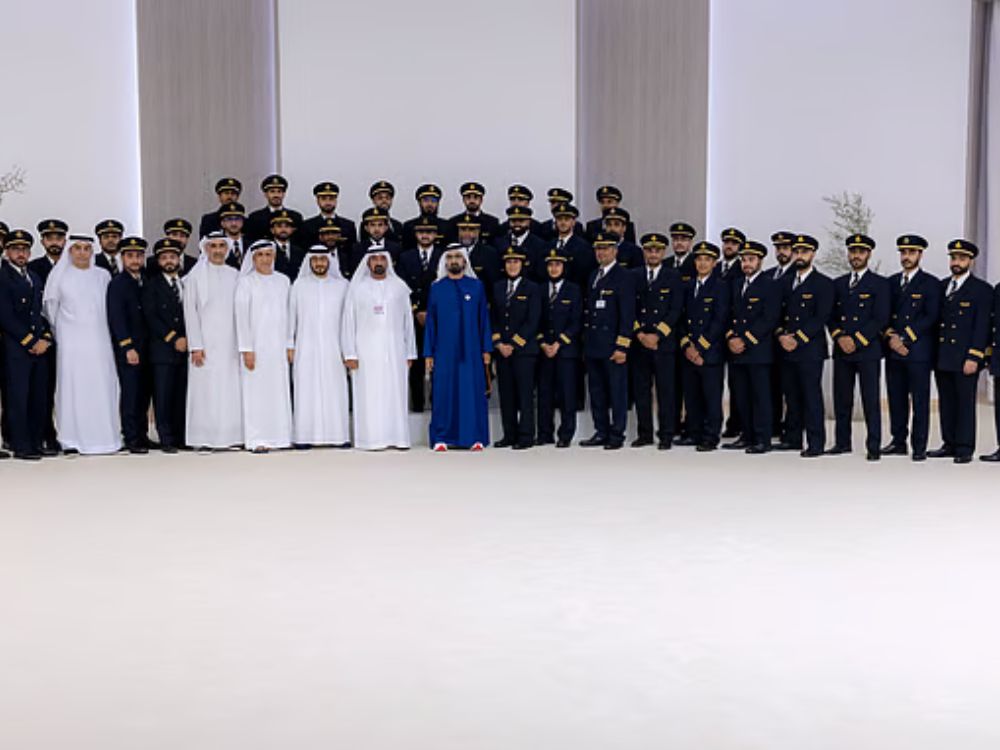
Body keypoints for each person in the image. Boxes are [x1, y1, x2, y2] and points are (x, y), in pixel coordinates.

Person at [42, 234, 121, 455]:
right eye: (77, 248)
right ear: (69, 251)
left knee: (101, 386)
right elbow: (51, 311)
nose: (82, 253)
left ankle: (106, 439)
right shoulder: (60, 277)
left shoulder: (103, 275)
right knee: (72, 388)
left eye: (87, 248)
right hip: (71, 344)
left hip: (100, 341)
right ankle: (72, 439)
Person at [341, 248, 416, 450]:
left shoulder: (400, 287)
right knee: (368, 394)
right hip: (365, 352)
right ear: (367, 263)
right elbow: (348, 322)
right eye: (374, 258)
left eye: (382, 258)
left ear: (389, 261)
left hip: (395, 351)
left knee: (395, 393)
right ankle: (370, 439)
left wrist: (410, 352)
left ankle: (397, 438)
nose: (378, 261)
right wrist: (349, 353)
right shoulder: (356, 288)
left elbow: (408, 322)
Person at [827, 234, 891, 461]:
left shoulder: (880, 284)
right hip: (842, 350)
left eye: (861, 252)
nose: (856, 256)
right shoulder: (838, 284)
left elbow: (880, 318)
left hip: (867, 351)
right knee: (842, 399)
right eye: (853, 252)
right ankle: (841, 442)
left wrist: (858, 340)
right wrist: (839, 337)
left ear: (869, 255)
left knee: (870, 400)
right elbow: (831, 316)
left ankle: (873, 445)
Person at [424, 244, 492, 451]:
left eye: (458, 257)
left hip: (471, 350)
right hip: (444, 351)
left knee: (470, 392)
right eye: (450, 257)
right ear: (445, 261)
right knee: (444, 392)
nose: (454, 261)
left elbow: (483, 320)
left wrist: (486, 349)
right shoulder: (436, 288)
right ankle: (442, 437)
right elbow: (431, 323)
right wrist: (428, 353)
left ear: (464, 261)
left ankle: (474, 437)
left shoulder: (476, 286)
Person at [929, 239, 992, 464]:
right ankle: (949, 443)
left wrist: (975, 356)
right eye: (954, 258)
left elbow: (982, 326)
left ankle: (964, 447)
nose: (957, 262)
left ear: (971, 261)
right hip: (943, 354)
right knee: (946, 401)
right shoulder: (942, 285)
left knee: (965, 402)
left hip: (966, 357)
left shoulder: (982, 290)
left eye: (962, 258)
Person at [774, 234, 835, 458]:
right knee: (791, 396)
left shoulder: (823, 284)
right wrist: (781, 335)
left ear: (813, 254)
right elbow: (775, 314)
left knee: (811, 396)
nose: (800, 256)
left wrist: (796, 338)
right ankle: (792, 438)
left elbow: (820, 317)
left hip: (809, 349)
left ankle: (816, 442)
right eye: (797, 252)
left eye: (804, 252)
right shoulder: (782, 282)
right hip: (786, 348)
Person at [183, 232, 243, 451]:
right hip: (205, 345)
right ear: (206, 249)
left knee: (229, 389)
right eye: (213, 246)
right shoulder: (195, 276)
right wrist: (196, 346)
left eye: (221, 246)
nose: (217, 250)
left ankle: (230, 437)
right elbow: (190, 312)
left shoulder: (235, 274)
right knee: (205, 391)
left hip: (230, 344)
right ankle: (204, 439)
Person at [882, 235, 940, 462]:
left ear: (920, 255)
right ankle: (898, 441)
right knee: (896, 399)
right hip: (894, 351)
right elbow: (882, 315)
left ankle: (919, 445)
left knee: (920, 401)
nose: (906, 257)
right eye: (903, 253)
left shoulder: (930, 283)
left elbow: (931, 316)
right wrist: (891, 338)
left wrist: (904, 338)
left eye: (911, 253)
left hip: (918, 352)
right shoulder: (891, 282)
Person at [289, 245, 351, 448]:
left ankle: (338, 436)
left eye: (323, 260)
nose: (319, 264)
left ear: (329, 261)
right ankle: (304, 437)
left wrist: (348, 349)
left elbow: (348, 320)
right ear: (309, 262)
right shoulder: (299, 285)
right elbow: (291, 318)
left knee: (336, 389)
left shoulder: (342, 286)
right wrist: (290, 345)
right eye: (315, 260)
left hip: (335, 346)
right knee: (306, 390)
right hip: (305, 346)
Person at [724, 240, 782, 454]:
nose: (746, 264)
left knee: (760, 397)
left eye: (751, 259)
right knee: (741, 396)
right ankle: (746, 435)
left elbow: (769, 318)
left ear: (760, 261)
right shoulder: (736, 284)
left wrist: (744, 340)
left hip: (758, 350)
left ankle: (762, 438)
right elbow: (728, 315)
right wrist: (731, 337)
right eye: (743, 260)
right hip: (736, 351)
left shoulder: (770, 284)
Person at [235, 240, 293, 452]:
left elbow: (290, 315)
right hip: (255, 348)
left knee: (279, 391)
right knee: (256, 393)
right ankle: (257, 438)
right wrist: (246, 349)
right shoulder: (246, 282)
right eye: (260, 255)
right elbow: (241, 318)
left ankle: (281, 437)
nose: (265, 259)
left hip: (278, 348)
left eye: (269, 255)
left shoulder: (284, 281)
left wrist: (289, 344)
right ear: (253, 259)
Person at [580, 233, 636, 450]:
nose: (601, 252)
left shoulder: (624, 276)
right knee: (597, 391)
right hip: (594, 344)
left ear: (615, 251)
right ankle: (601, 430)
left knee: (617, 391)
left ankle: (617, 433)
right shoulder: (593, 275)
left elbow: (627, 315)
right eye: (598, 248)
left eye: (605, 248)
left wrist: (622, 345)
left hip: (613, 345)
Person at [0, 229, 52, 459]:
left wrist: (45, 338)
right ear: (7, 251)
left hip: (38, 348)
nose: (20, 254)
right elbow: (5, 315)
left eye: (24, 250)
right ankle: (20, 444)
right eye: (15, 249)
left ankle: (35, 440)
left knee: (37, 396)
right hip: (15, 347)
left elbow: (38, 313)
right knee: (18, 397)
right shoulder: (2, 276)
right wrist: (29, 340)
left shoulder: (34, 277)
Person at [631, 232, 683, 450]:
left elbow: (675, 309)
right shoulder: (633, 276)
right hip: (640, 343)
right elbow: (628, 308)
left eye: (657, 250)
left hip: (664, 344)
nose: (653, 254)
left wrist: (657, 335)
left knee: (666, 391)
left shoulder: (673, 276)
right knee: (641, 390)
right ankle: (645, 434)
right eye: (649, 250)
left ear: (663, 252)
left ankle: (666, 434)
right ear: (644, 251)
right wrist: (641, 334)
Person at [677, 241, 730, 451]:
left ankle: (711, 435)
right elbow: (680, 318)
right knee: (691, 396)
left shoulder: (721, 287)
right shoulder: (688, 286)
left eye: (707, 259)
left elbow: (720, 320)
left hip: (710, 352)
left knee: (711, 396)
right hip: (689, 351)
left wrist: (700, 347)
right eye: (699, 259)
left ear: (714, 263)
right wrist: (687, 346)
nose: (702, 263)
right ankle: (693, 432)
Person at [492, 246, 541, 449]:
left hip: (524, 350)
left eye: (516, 262)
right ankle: (509, 434)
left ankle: (526, 435)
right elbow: (493, 317)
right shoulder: (498, 287)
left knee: (525, 394)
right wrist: (498, 343)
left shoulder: (532, 288)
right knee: (507, 394)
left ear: (523, 264)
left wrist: (513, 344)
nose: (512, 265)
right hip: (502, 351)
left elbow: (533, 320)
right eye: (509, 262)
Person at [142, 238, 188, 453]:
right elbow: (151, 317)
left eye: (173, 256)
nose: (169, 261)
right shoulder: (151, 285)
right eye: (164, 257)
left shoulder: (186, 282)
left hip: (185, 349)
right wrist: (173, 338)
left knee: (180, 395)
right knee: (163, 396)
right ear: (158, 261)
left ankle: (180, 436)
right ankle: (166, 437)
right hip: (162, 350)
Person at [106, 236, 152, 454]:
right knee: (131, 393)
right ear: (122, 257)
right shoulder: (117, 283)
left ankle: (142, 434)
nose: (135, 260)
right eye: (130, 256)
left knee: (144, 393)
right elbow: (117, 318)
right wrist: (127, 347)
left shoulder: (147, 279)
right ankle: (131, 437)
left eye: (139, 255)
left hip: (148, 346)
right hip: (130, 347)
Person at [536, 248, 583, 448]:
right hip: (544, 350)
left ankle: (565, 434)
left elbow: (577, 320)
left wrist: (559, 343)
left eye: (557, 264)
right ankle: (545, 433)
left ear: (564, 267)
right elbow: (535, 319)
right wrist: (543, 343)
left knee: (567, 394)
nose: (553, 268)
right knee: (544, 393)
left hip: (566, 351)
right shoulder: (539, 289)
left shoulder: (574, 290)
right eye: (550, 264)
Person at [396, 220, 444, 412]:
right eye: (421, 232)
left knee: (438, 361)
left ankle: (437, 402)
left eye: (429, 232)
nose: (425, 235)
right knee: (414, 362)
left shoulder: (443, 256)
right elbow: (402, 287)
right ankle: (417, 404)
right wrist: (416, 310)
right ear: (416, 234)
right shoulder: (406, 257)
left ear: (435, 235)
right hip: (413, 317)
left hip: (438, 318)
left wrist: (431, 312)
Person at [29, 219, 67, 453]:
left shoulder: (74, 265)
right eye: (50, 238)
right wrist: (45, 336)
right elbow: (35, 308)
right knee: (44, 390)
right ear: (43, 241)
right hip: (44, 341)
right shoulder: (34, 269)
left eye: (59, 238)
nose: (55, 242)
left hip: (72, 340)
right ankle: (46, 435)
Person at [765, 230, 797, 440]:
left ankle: (793, 429)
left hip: (792, 341)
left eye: (786, 248)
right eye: (778, 248)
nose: (782, 252)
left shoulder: (799, 275)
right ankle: (773, 426)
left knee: (792, 389)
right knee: (771, 386)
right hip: (769, 340)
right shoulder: (768, 275)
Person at [716, 227, 747, 439]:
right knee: (715, 382)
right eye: (726, 242)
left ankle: (737, 423)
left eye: (734, 244)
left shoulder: (743, 270)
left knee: (737, 384)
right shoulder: (715, 267)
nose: (729, 246)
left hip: (734, 333)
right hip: (715, 335)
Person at [245, 174, 304, 244]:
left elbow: (300, 242)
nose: (276, 195)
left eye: (279, 191)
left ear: (284, 194)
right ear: (266, 194)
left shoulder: (295, 217)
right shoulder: (255, 217)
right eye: (272, 191)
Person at [299, 181, 357, 251]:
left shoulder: (348, 226)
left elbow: (352, 253)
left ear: (336, 200)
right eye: (323, 199)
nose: (328, 202)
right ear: (317, 200)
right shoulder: (307, 226)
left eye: (331, 199)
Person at [351, 207, 402, 274]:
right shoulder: (357, 248)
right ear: (366, 228)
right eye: (372, 225)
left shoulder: (396, 248)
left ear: (386, 227)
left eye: (380, 225)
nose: (376, 229)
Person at [449, 181, 500, 247]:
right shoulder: (454, 222)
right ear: (463, 200)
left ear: (481, 200)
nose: (472, 201)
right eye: (468, 197)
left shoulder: (492, 222)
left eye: (475, 197)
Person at [402, 183, 449, 248]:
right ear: (419, 202)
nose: (429, 204)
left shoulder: (446, 226)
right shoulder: (409, 226)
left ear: (438, 203)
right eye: (426, 200)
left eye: (433, 200)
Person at [269, 210, 306, 280]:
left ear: (292, 229)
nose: (283, 229)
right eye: (279, 226)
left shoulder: (300, 252)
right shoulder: (267, 250)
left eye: (287, 226)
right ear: (272, 230)